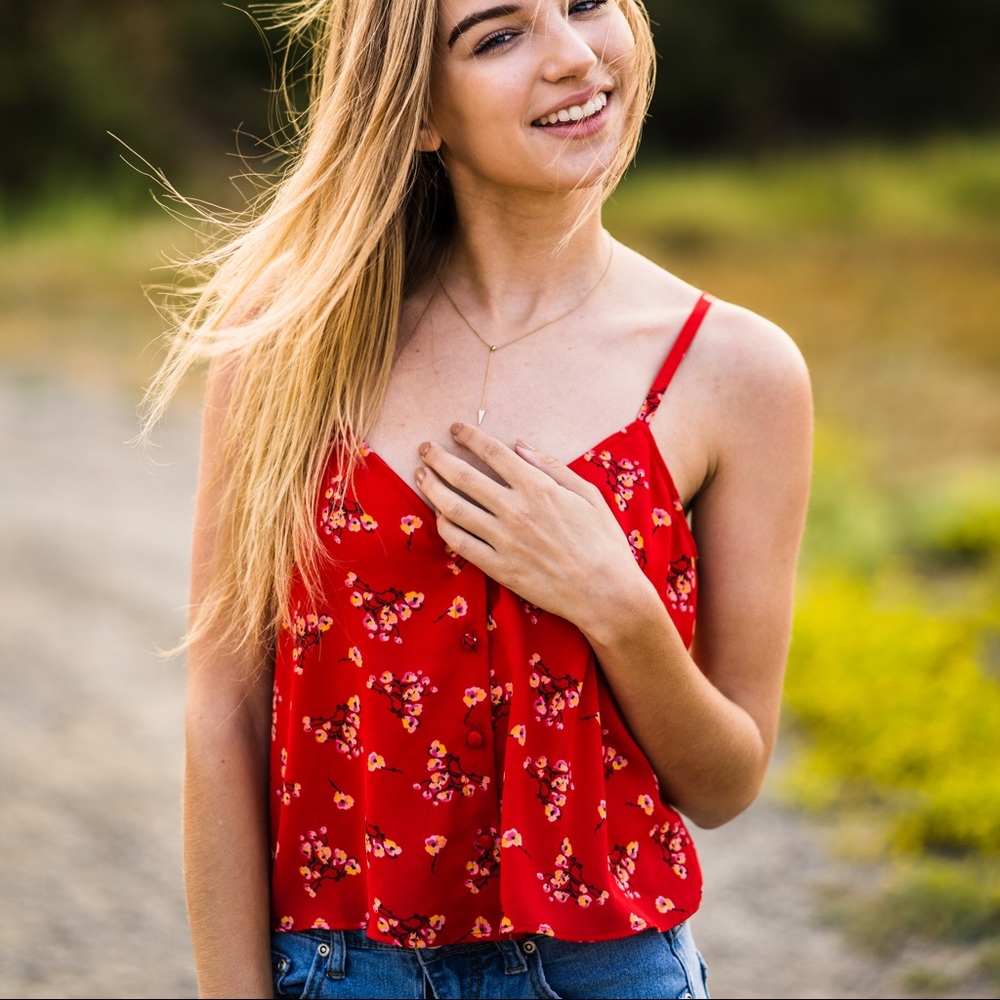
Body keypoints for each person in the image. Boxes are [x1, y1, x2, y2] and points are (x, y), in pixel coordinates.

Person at [142, 1, 812, 997]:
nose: (574, 57)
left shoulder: (736, 372)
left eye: (586, 4)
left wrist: (612, 598)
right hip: (338, 968)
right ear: (418, 113)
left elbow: (722, 783)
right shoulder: (290, 343)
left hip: (609, 972)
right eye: (499, 37)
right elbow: (221, 712)